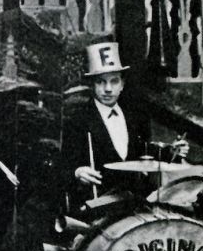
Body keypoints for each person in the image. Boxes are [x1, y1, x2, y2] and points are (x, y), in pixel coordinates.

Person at [61, 41, 189, 201]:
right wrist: (77, 172)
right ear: (92, 85)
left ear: (122, 84)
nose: (108, 88)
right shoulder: (78, 120)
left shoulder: (135, 116)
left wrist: (173, 151)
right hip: (98, 204)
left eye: (114, 81)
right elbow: (62, 167)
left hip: (135, 202)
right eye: (101, 81)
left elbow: (144, 153)